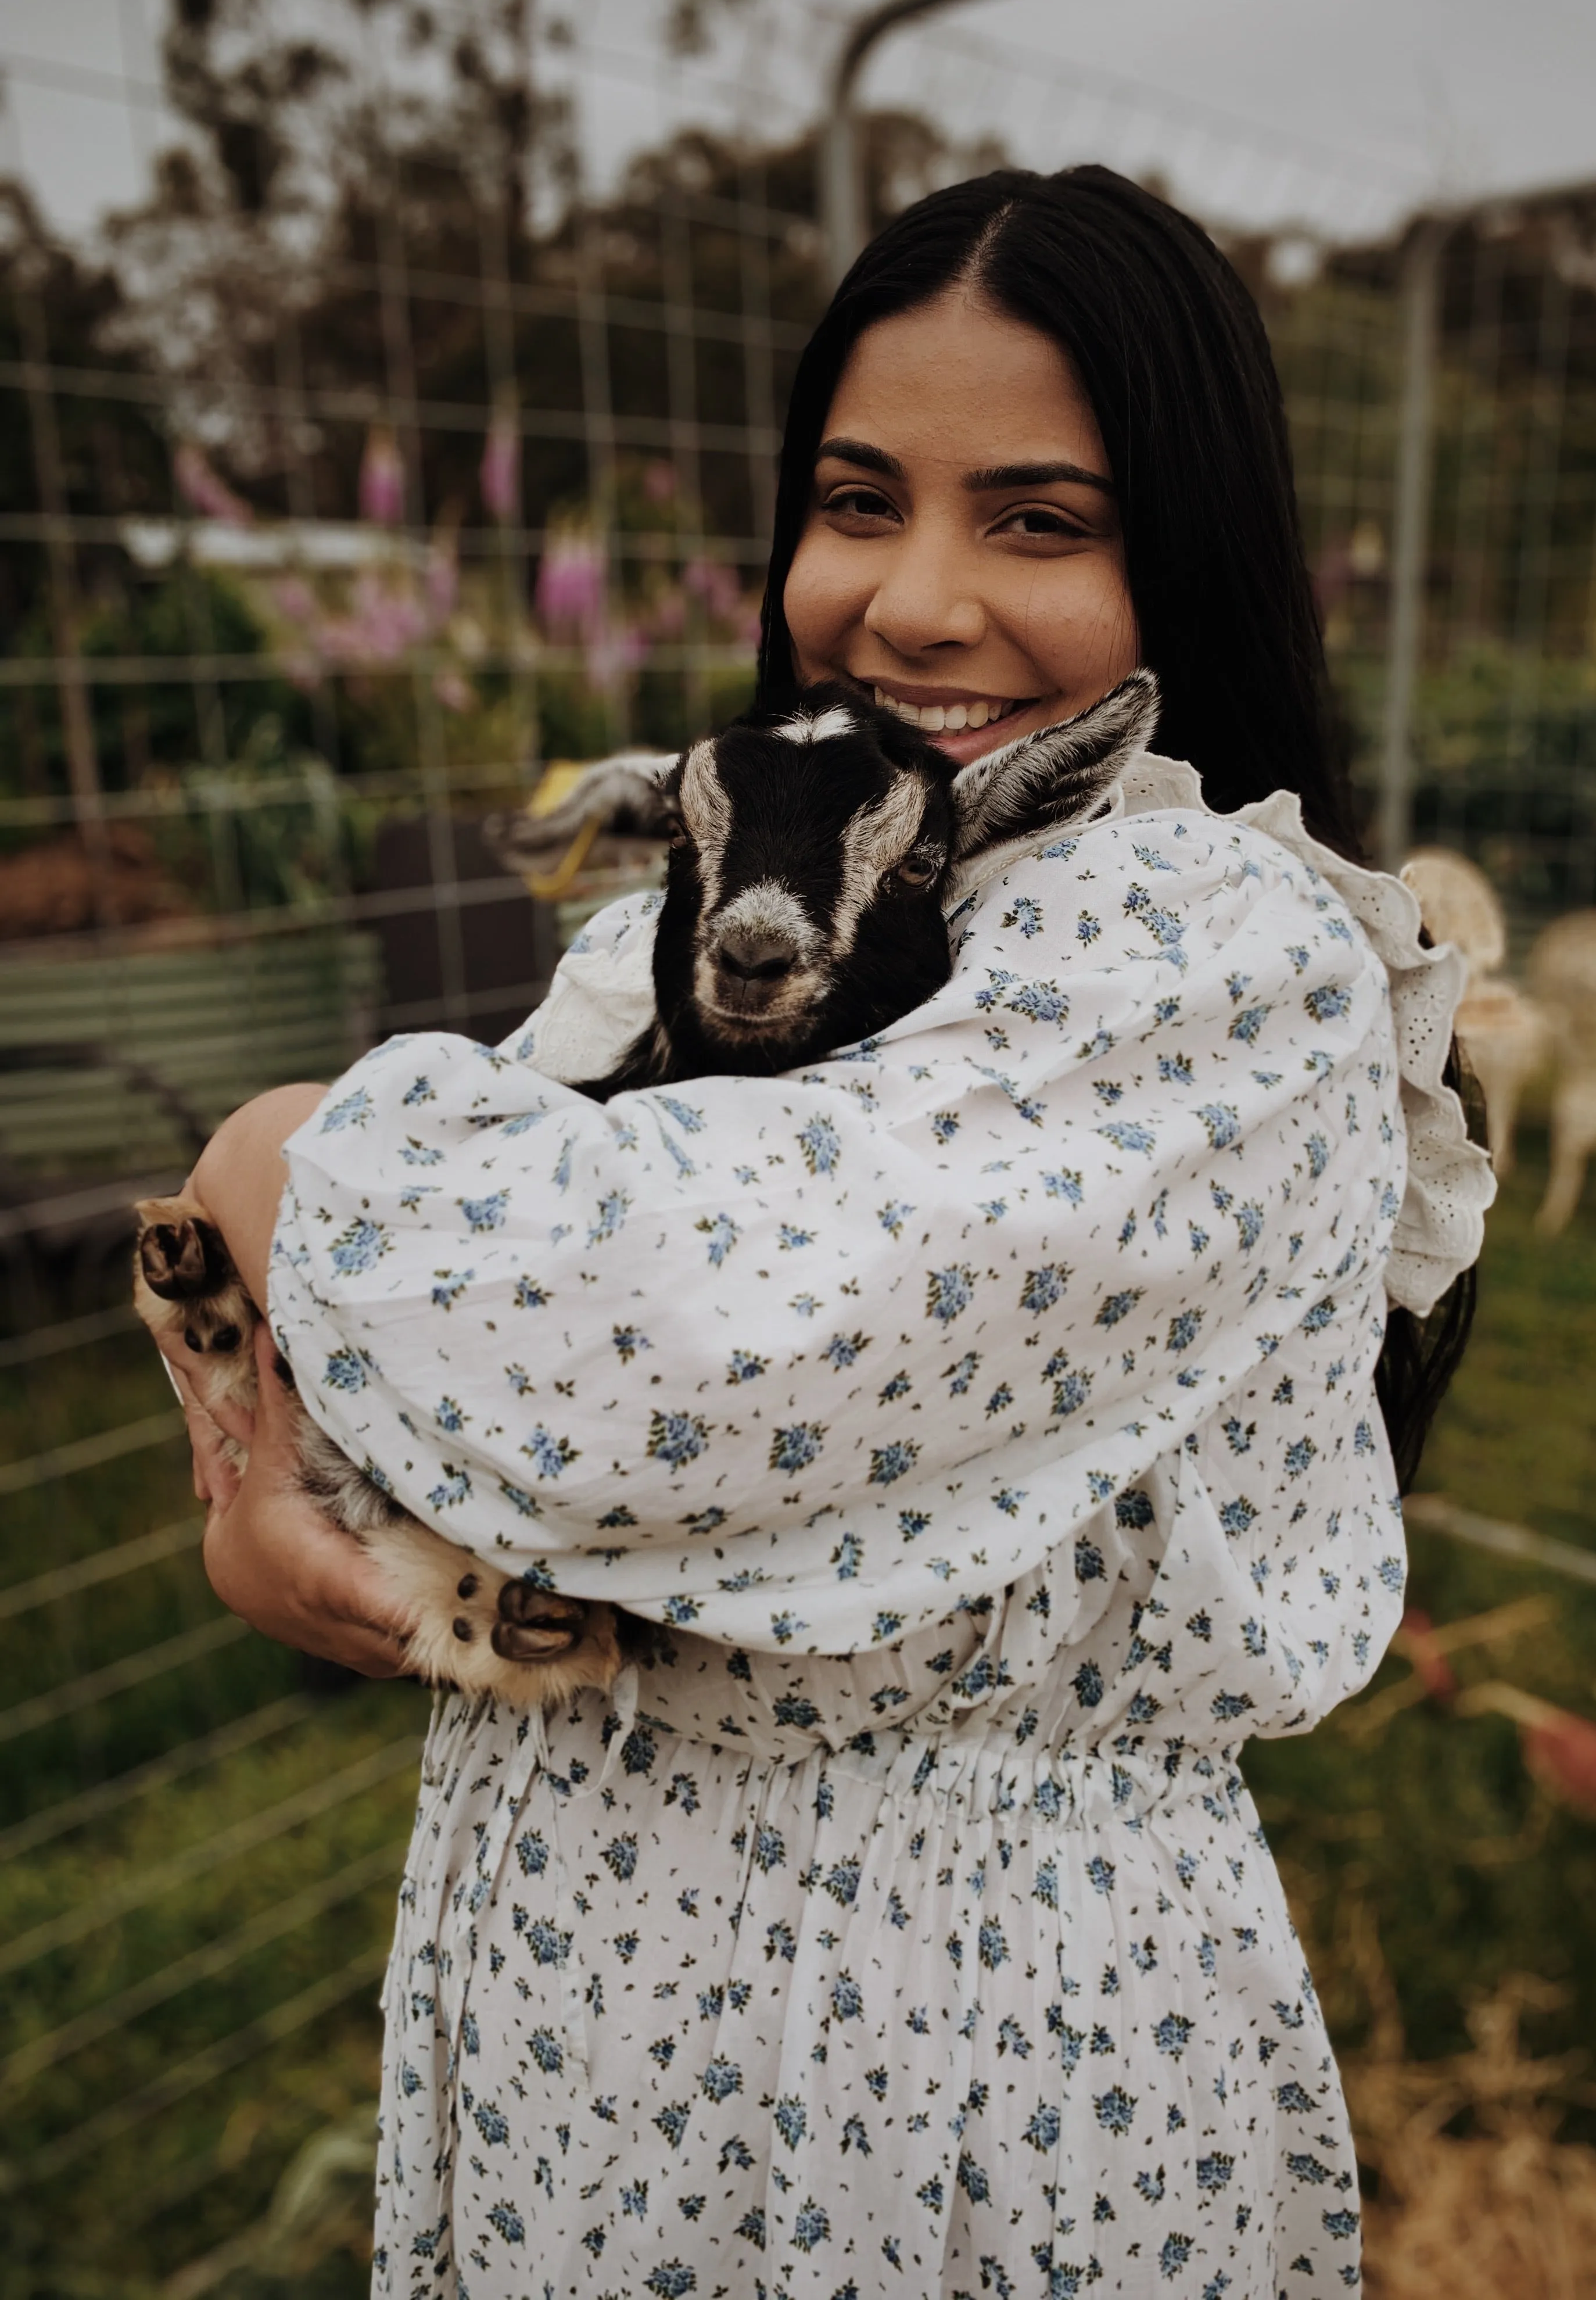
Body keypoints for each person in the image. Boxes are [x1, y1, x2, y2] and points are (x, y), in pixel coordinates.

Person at [156, 167, 1492, 2297]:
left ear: (1195, 552)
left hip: (957, 2018)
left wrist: (273, 1145)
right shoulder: (696, 919)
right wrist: (247, 1483)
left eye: (1040, 522)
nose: (914, 602)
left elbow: (653, 1347)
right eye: (859, 501)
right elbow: (401, 1368)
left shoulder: (1206, 951)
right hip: (577, 1988)